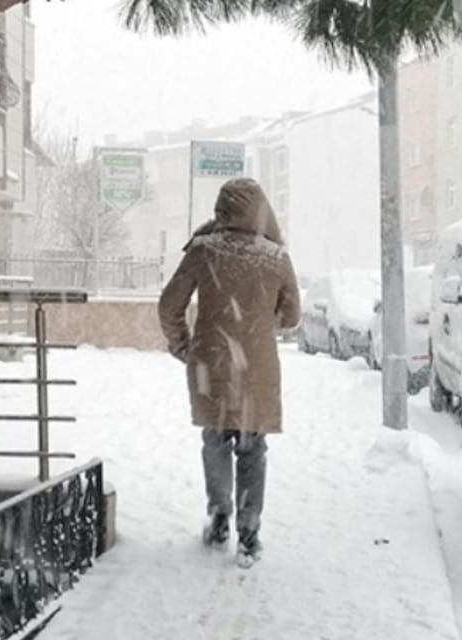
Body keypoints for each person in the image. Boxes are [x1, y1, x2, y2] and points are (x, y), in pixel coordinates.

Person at [158, 177, 300, 568]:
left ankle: (220, 515)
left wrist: (183, 345)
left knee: (216, 440)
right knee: (252, 448)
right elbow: (291, 316)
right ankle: (249, 531)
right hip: (257, 369)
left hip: (213, 364)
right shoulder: (274, 257)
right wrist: (260, 320)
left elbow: (169, 305)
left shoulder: (203, 250)